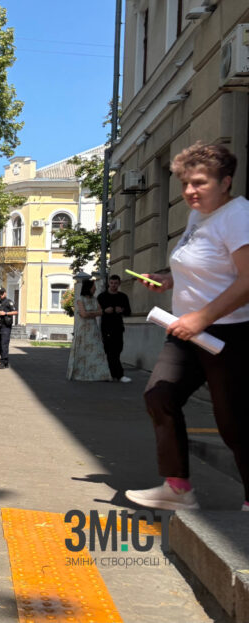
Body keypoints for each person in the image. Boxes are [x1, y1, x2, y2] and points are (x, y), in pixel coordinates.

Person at [125, 142, 249, 511]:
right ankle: (178, 488)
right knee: (159, 396)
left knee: (235, 422)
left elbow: (246, 281)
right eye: (185, 184)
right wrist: (166, 279)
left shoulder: (238, 216)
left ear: (225, 181)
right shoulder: (199, 217)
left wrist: (202, 318)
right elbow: (205, 268)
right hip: (185, 333)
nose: (190, 192)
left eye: (200, 183)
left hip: (229, 333)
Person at [66, 279, 112, 382]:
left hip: (93, 329)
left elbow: (100, 312)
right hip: (83, 329)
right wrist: (93, 313)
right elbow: (83, 314)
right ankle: (80, 374)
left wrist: (90, 313)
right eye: (93, 287)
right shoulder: (80, 299)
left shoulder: (95, 299)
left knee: (97, 350)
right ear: (88, 288)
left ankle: (99, 374)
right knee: (82, 350)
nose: (95, 288)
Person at [97, 274, 132, 383]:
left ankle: (110, 374)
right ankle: (118, 375)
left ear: (119, 284)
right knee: (110, 351)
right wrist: (104, 311)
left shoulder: (123, 297)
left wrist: (121, 310)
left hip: (118, 327)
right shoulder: (102, 296)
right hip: (106, 328)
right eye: (111, 283)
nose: (113, 285)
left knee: (117, 350)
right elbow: (96, 311)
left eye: (116, 283)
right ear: (108, 283)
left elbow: (129, 312)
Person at [0, 288, 18, 369]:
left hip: (6, 326)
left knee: (4, 345)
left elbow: (16, 312)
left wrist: (5, 313)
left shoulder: (9, 302)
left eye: (2, 293)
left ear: (5, 293)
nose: (1, 294)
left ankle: (2, 362)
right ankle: (5, 361)